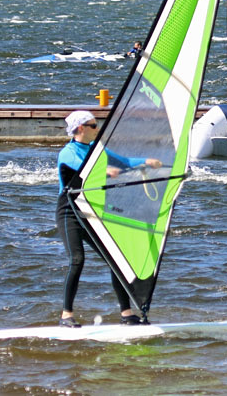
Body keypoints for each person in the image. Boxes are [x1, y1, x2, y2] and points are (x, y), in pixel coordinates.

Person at [56, 110, 161, 327]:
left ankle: (126, 313)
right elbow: (83, 170)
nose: (98, 128)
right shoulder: (68, 152)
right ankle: (66, 315)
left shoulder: (98, 150)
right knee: (77, 260)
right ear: (81, 128)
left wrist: (146, 161)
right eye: (94, 125)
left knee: (116, 261)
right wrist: (105, 171)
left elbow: (123, 162)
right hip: (70, 212)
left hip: (92, 211)